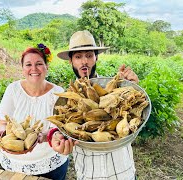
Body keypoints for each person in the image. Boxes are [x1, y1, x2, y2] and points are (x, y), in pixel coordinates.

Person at [48, 30, 139, 180]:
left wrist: (132, 88)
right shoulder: (65, 100)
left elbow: (137, 117)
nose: (84, 61)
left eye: (89, 55)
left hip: (123, 172)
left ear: (96, 58)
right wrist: (56, 136)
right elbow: (56, 128)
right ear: (70, 61)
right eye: (78, 57)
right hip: (89, 175)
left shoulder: (115, 89)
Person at [0, 44, 68, 180]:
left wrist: (46, 136)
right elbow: (3, 122)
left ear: (47, 67)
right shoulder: (13, 89)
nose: (33, 69)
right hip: (14, 164)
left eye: (39, 63)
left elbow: (60, 129)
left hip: (49, 164)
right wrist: (3, 134)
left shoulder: (58, 93)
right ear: (22, 69)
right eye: (28, 65)